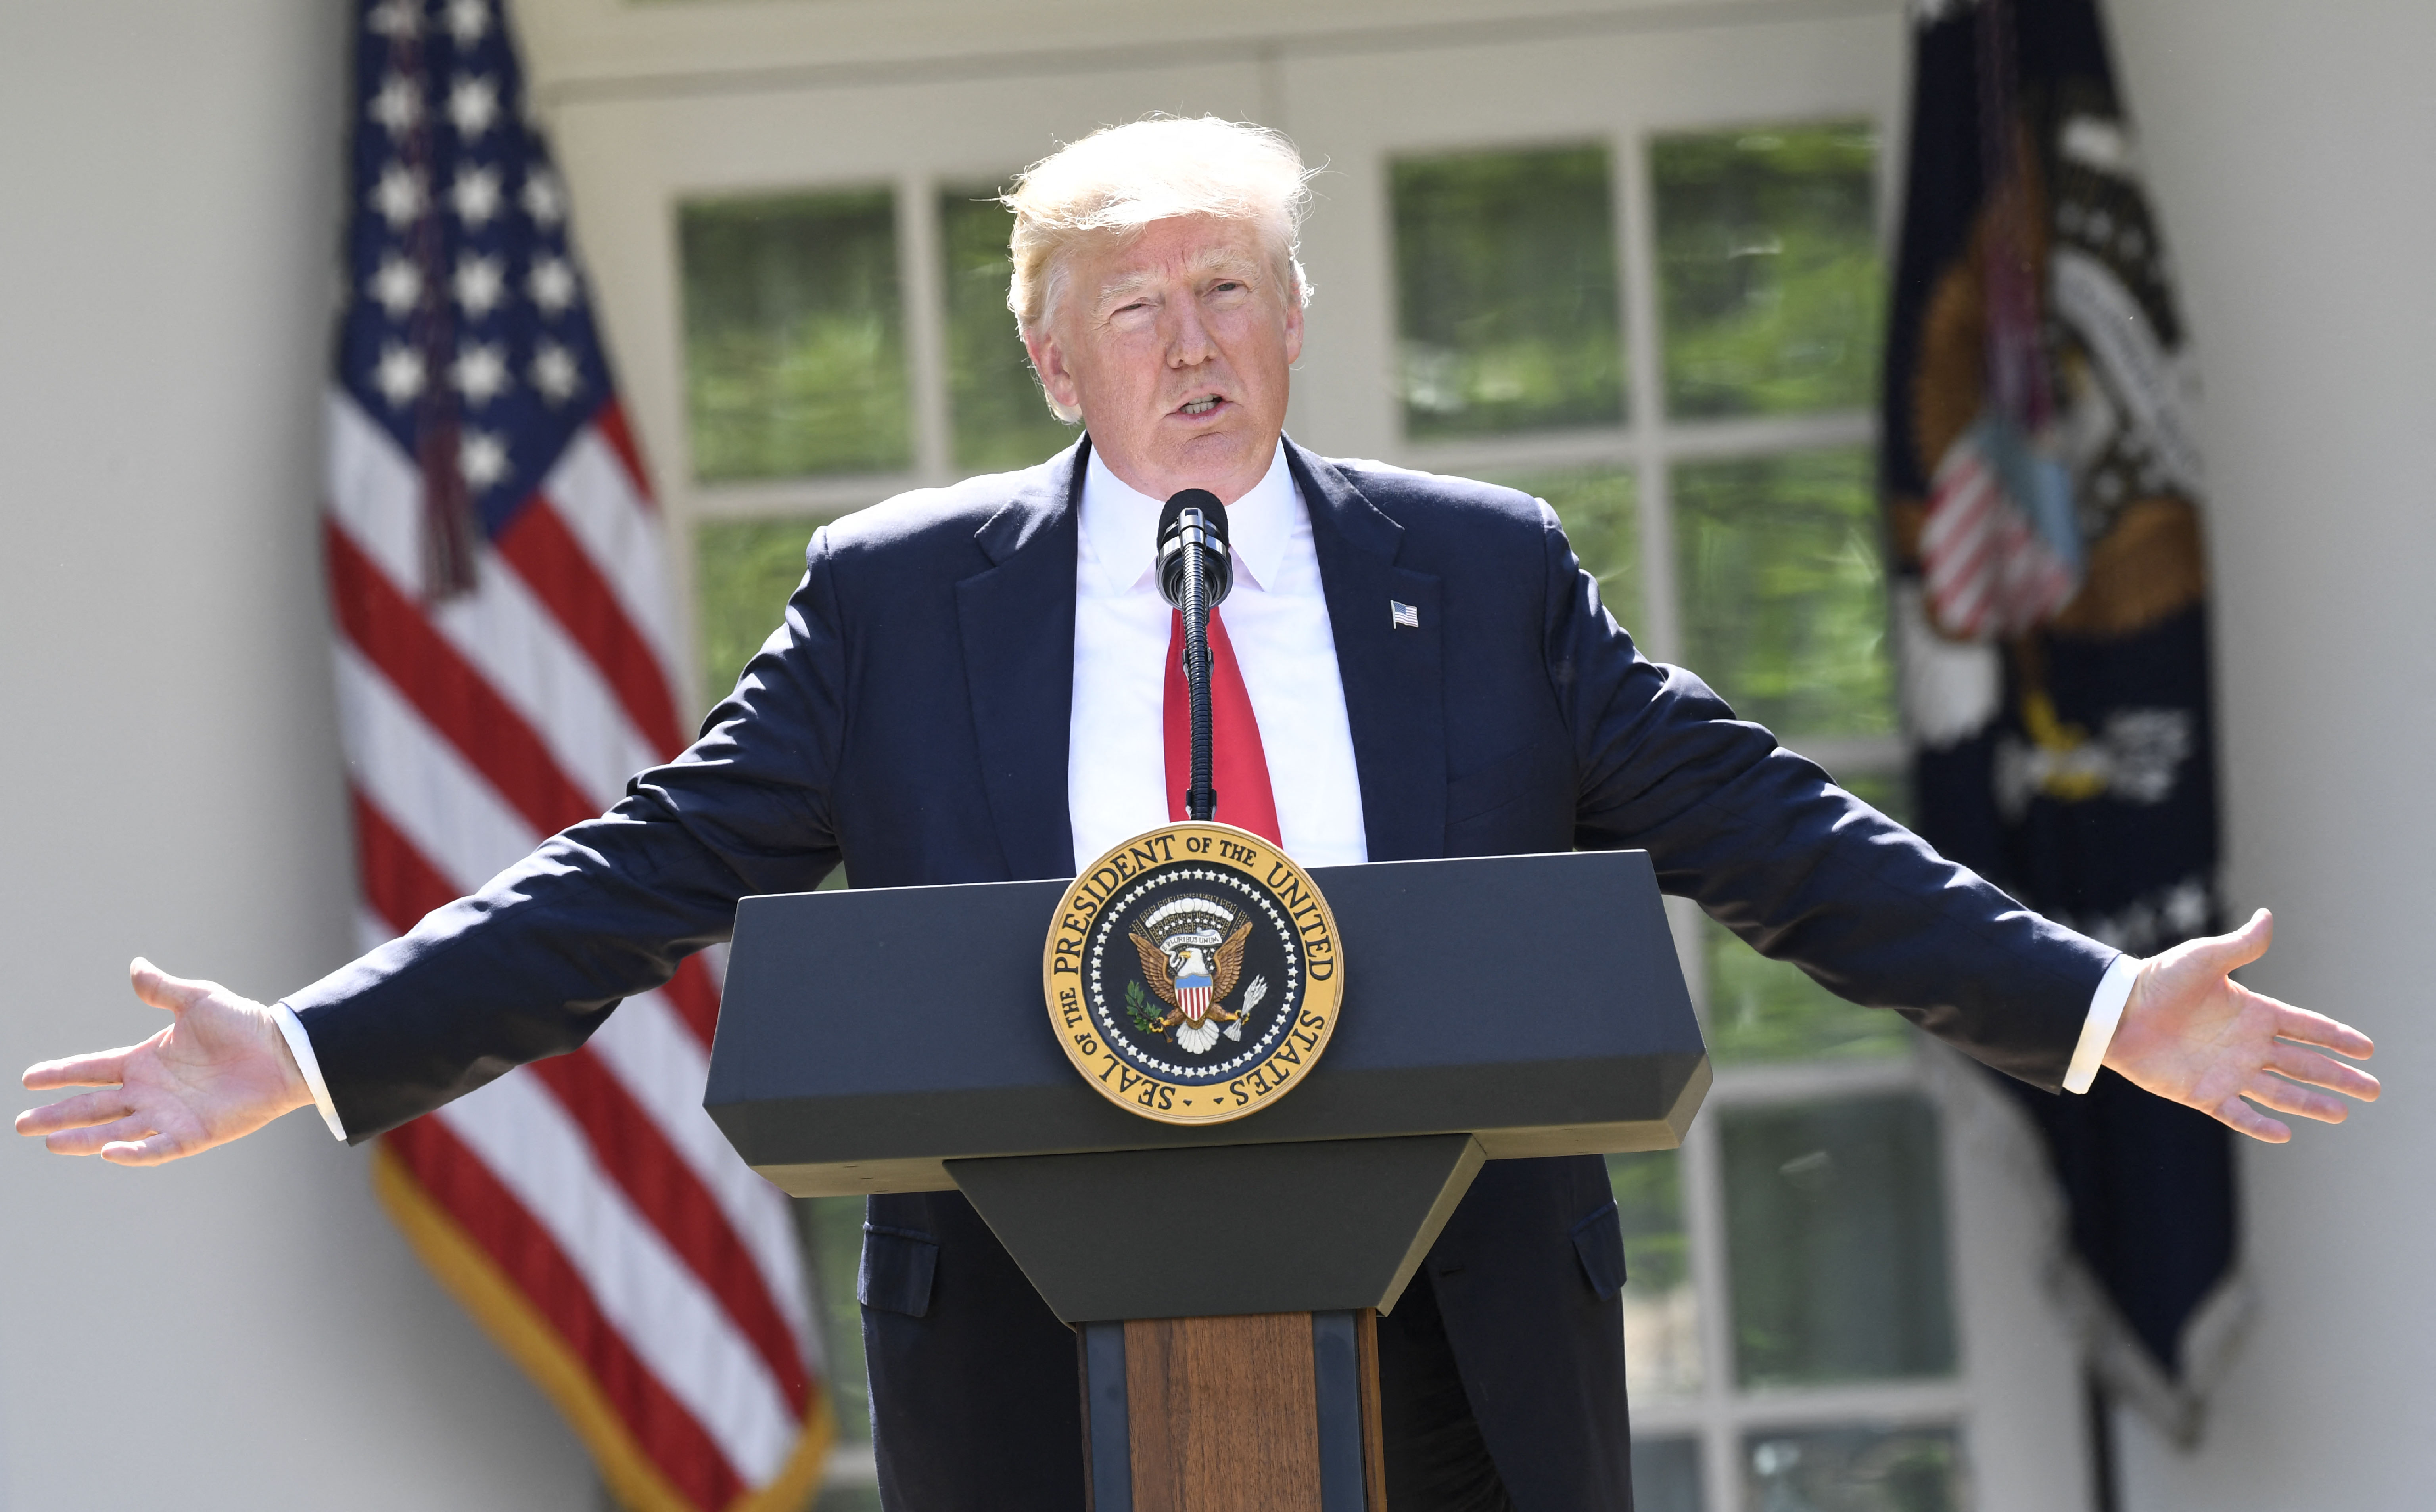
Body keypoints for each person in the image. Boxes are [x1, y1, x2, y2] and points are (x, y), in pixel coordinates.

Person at [17, 117, 2377, 1512]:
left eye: (1227, 288)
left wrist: (2088, 1005)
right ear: (1052, 358)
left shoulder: (1479, 571)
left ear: (1295, 319)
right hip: (1037, 1349)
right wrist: (319, 1046)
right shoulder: (902, 600)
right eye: (1131, 306)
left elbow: (1761, 822)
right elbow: (642, 867)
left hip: (1454, 1343)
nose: (1189, 341)